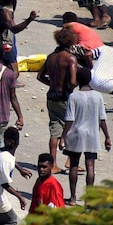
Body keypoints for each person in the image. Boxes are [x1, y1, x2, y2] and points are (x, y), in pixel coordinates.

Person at [60, 67, 111, 204]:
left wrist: (63, 136)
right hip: (92, 135)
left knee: (74, 165)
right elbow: (102, 119)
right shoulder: (98, 96)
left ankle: (73, 198)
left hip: (76, 134)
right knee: (90, 166)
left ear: (77, 80)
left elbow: (69, 119)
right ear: (90, 79)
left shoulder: (74, 97)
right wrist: (107, 136)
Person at [36, 28, 78, 172]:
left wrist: (53, 84)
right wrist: (70, 88)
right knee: (73, 128)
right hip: (64, 97)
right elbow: (72, 82)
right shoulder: (70, 58)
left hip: (51, 95)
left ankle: (52, 164)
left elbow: (40, 76)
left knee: (54, 129)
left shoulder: (51, 57)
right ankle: (71, 161)